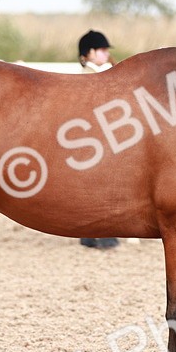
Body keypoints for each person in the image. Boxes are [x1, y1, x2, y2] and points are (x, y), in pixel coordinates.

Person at [77, 30, 119, 250]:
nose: (106, 54)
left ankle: (91, 233)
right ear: (90, 52)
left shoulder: (101, 73)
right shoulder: (90, 76)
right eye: (102, 50)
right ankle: (101, 233)